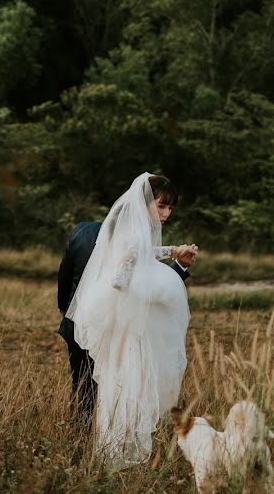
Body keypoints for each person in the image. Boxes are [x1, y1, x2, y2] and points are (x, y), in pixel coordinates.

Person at [58, 173, 197, 469]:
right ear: (143, 202)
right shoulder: (133, 234)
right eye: (161, 206)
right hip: (116, 326)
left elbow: (139, 256)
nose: (166, 214)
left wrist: (172, 253)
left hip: (93, 322)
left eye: (170, 209)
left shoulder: (118, 231)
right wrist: (159, 288)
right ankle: (108, 453)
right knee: (114, 390)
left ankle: (92, 451)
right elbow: (121, 280)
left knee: (97, 390)